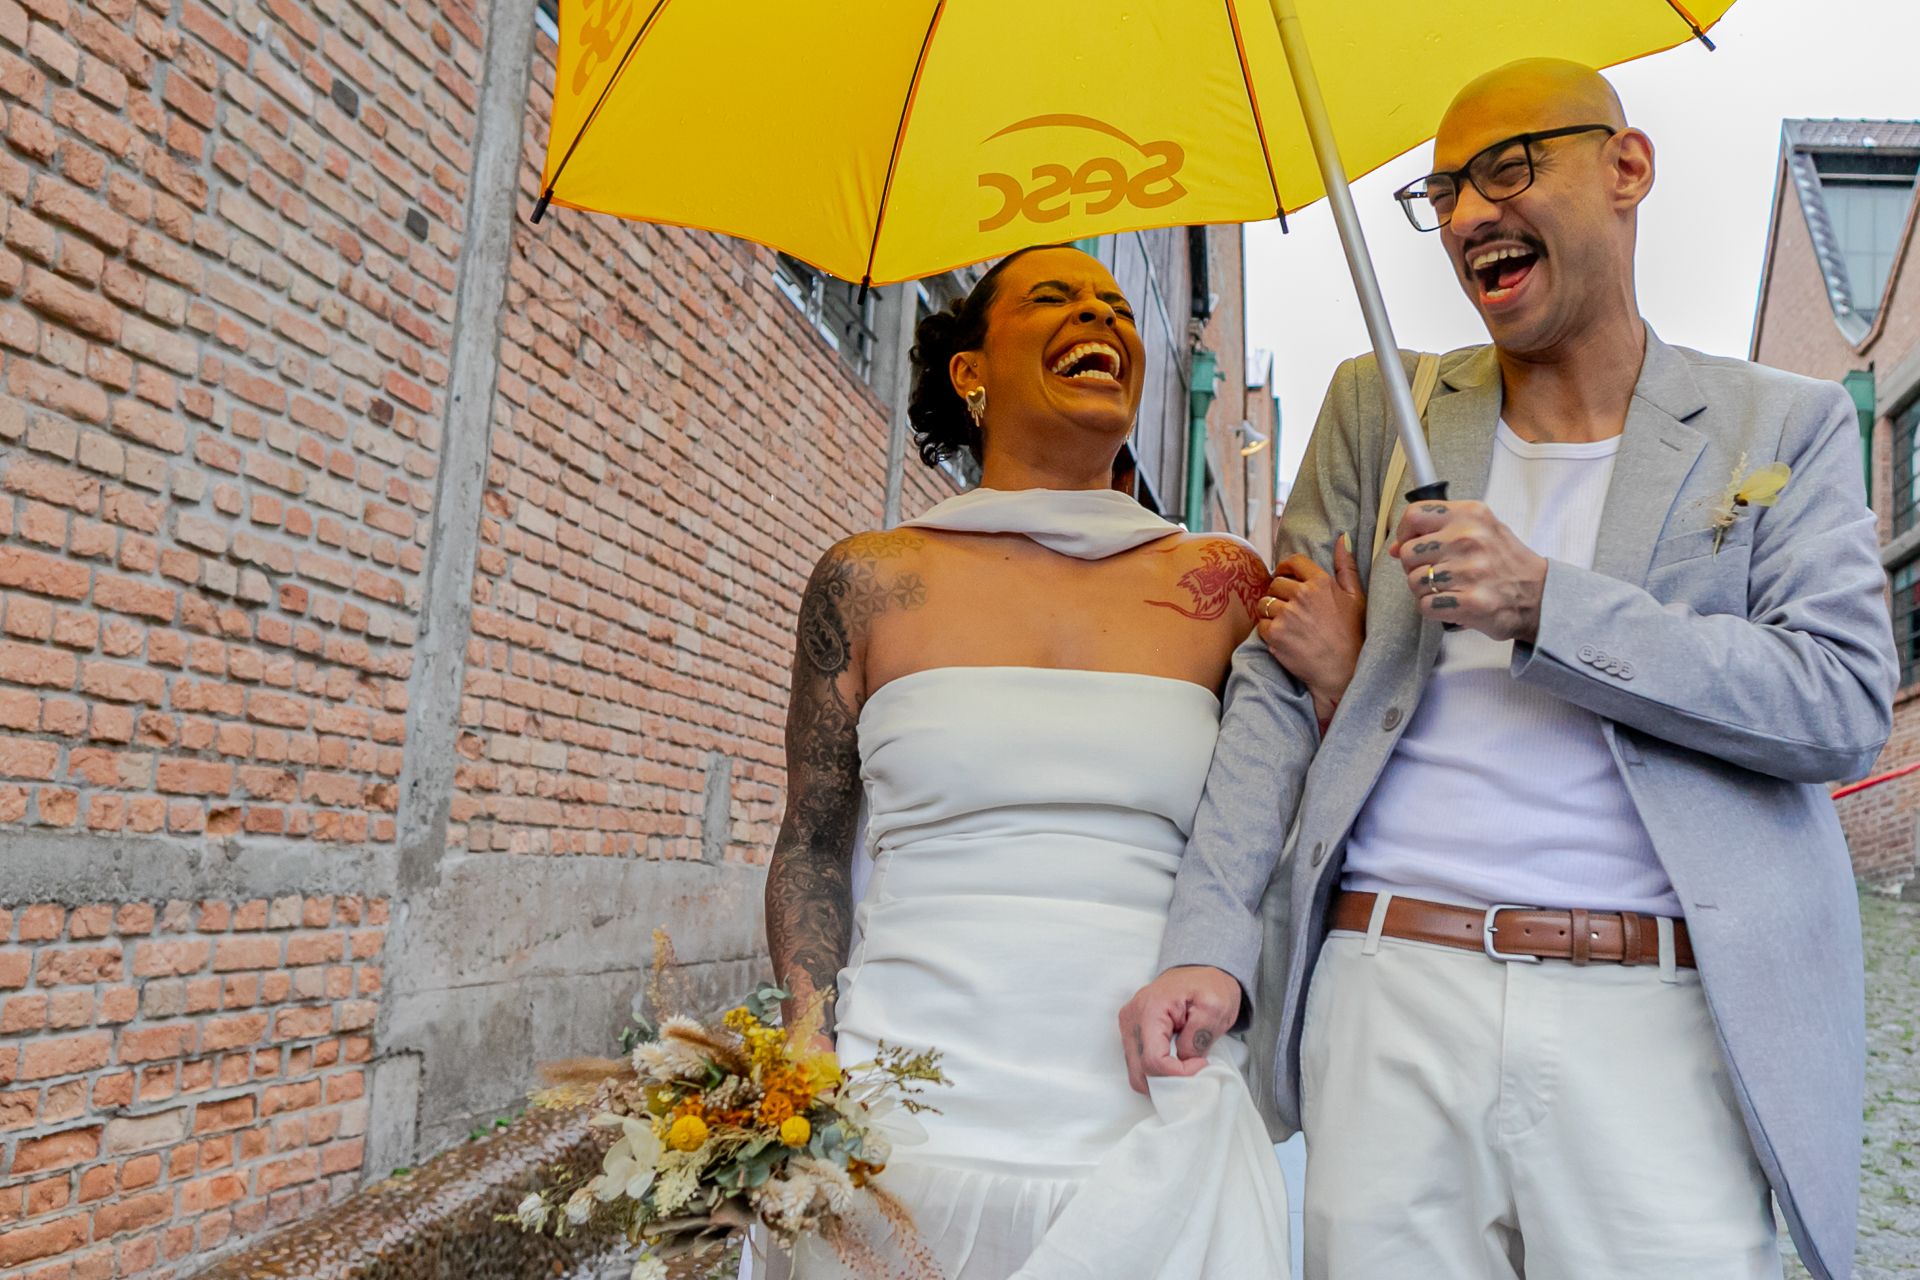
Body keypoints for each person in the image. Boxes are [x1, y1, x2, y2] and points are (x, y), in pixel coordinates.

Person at [1121, 58, 1897, 1280]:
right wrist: (1208, 941)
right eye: (1444, 193)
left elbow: (1844, 699)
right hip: (1393, 988)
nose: (1472, 213)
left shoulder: (1779, 424)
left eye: (1508, 167)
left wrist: (1551, 605)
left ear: (1628, 168)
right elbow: (1272, 686)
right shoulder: (1382, 411)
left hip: (1660, 1011)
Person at [763, 244, 1344, 1279]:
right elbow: (811, 837)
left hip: (1147, 1109)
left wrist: (1338, 680)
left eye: (1118, 305)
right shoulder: (869, 582)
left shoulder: (1221, 584)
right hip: (907, 1109)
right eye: (1056, 298)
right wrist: (808, 1035)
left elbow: (1287, 824)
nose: (1105, 319)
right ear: (971, 372)